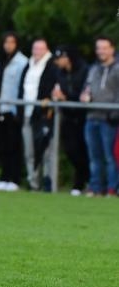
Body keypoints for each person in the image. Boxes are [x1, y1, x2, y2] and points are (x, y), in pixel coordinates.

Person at [80, 36, 119, 197]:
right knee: (94, 156)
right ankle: (96, 188)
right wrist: (84, 96)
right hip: (91, 117)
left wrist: (114, 114)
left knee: (110, 157)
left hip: (109, 119)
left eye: (104, 48)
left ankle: (111, 188)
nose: (101, 51)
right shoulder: (93, 69)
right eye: (98, 48)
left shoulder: (117, 69)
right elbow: (86, 87)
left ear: (112, 49)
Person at [18, 38, 57, 192]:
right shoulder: (28, 64)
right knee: (30, 151)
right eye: (35, 48)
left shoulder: (52, 66)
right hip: (27, 113)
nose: (37, 52)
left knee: (47, 150)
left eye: (41, 49)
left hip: (43, 115)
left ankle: (49, 181)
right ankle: (33, 181)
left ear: (46, 50)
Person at [0, 32, 27, 191]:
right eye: (6, 42)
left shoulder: (22, 62)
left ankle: (14, 178)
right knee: (2, 146)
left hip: (12, 110)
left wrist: (17, 109)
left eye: (11, 42)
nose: (8, 45)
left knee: (14, 146)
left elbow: (21, 87)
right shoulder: (0, 62)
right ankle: (4, 177)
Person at [51, 45, 89, 196]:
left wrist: (66, 98)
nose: (57, 62)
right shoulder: (60, 73)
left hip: (82, 117)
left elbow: (83, 94)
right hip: (68, 117)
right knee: (71, 151)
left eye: (59, 59)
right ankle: (81, 181)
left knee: (84, 151)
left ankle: (82, 183)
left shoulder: (84, 70)